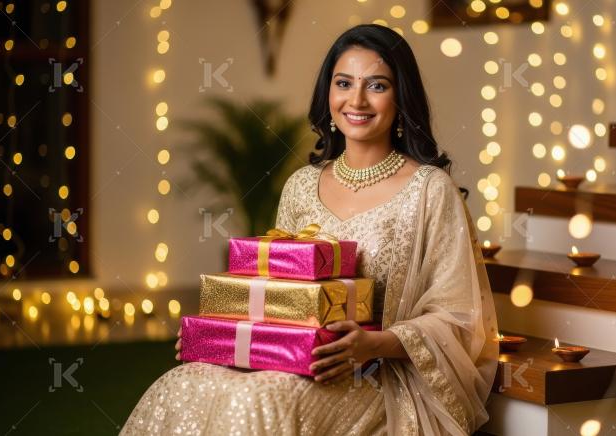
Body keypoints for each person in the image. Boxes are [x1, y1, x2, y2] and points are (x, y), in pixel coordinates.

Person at [122, 24, 498, 436]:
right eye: (344, 83)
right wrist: (219, 337)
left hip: (375, 376)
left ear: (401, 97)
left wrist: (373, 344)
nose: (356, 100)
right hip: (290, 360)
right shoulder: (302, 185)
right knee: (181, 385)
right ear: (328, 93)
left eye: (376, 85)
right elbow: (276, 291)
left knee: (258, 402)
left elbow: (459, 319)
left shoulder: (429, 190)